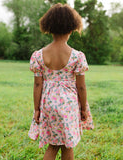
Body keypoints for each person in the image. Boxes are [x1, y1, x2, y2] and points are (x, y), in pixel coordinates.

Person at [28, 3, 94, 160]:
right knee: (68, 145)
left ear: (49, 27)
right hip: (68, 105)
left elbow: (38, 85)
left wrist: (37, 109)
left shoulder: (38, 55)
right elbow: (81, 87)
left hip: (48, 103)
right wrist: (83, 109)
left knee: (53, 144)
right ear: (72, 28)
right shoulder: (77, 56)